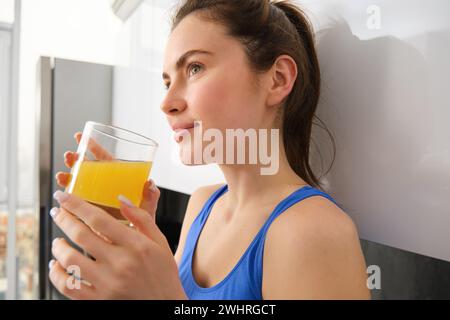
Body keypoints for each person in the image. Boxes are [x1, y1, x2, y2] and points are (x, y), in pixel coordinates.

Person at [51, 0, 370, 300]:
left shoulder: (312, 233)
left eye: (194, 68)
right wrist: (129, 258)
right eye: (167, 82)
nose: (167, 103)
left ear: (277, 79)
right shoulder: (203, 204)